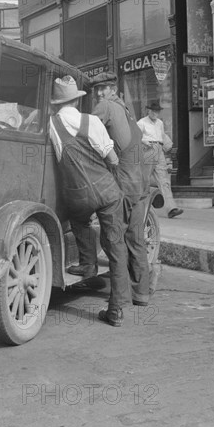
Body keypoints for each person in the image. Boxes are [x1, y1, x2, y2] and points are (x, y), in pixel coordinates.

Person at [49, 75, 129, 327]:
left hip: (78, 195)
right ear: (76, 100)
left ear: (56, 104)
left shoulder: (51, 125)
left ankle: (88, 264)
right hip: (107, 191)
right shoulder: (92, 120)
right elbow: (112, 158)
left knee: (79, 221)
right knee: (116, 245)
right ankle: (115, 309)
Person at [88, 71, 151, 305]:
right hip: (139, 184)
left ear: (112, 89)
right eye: (97, 89)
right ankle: (141, 293)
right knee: (136, 239)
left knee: (113, 239)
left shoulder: (105, 106)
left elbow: (85, 131)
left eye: (103, 88)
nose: (99, 93)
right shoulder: (126, 109)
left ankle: (120, 298)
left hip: (123, 184)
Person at [137, 100, 183, 219]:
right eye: (153, 111)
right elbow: (136, 137)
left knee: (164, 181)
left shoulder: (160, 123)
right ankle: (140, 208)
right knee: (145, 180)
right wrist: (145, 143)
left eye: (157, 111)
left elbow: (162, 136)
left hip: (159, 150)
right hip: (148, 149)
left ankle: (171, 208)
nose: (155, 113)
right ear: (149, 111)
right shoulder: (141, 123)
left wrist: (168, 146)